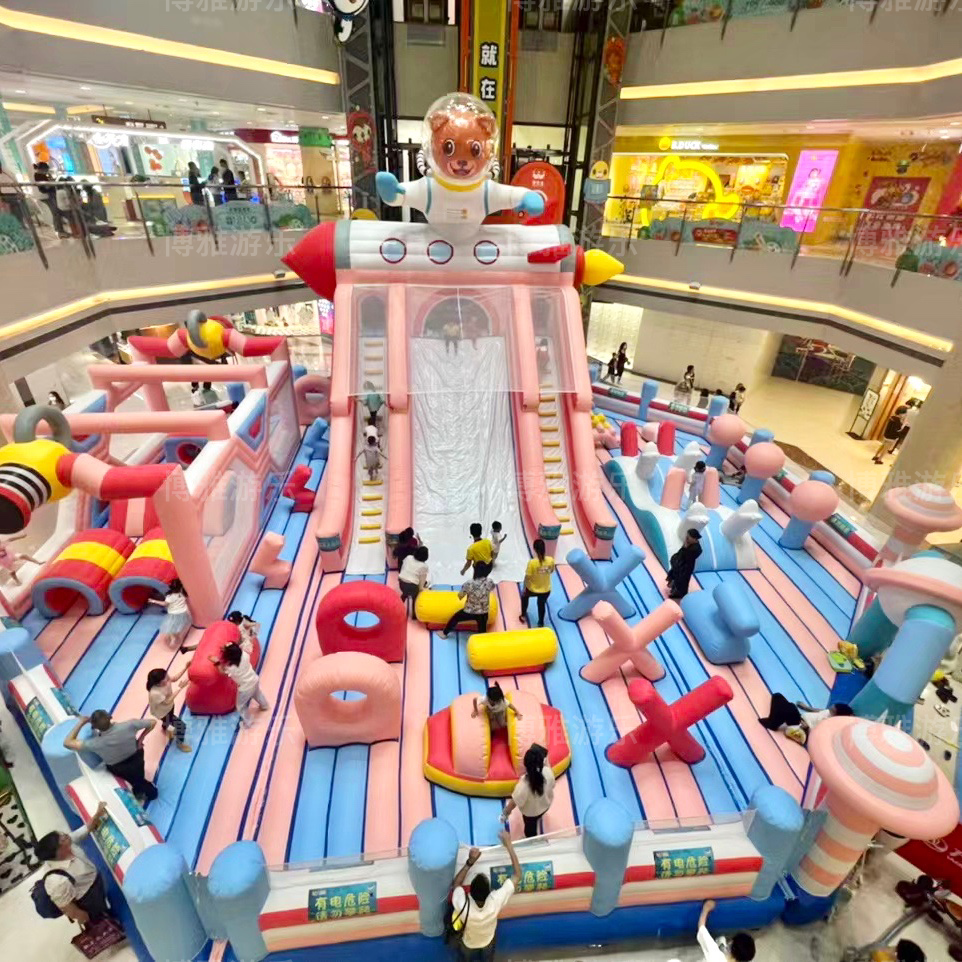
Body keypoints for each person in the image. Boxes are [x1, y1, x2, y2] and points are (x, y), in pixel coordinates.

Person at [34, 802, 112, 925]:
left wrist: (98, 814)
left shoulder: (67, 843)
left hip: (93, 882)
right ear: (58, 851)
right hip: (88, 897)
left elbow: (85, 830)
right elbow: (68, 908)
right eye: (63, 839)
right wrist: (83, 917)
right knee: (99, 917)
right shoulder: (57, 881)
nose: (66, 836)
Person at [449, 830, 521, 961]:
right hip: (487, 940)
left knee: (465, 957)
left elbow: (456, 884)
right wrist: (509, 845)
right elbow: (517, 875)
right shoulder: (495, 901)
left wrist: (470, 862)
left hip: (468, 943)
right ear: (489, 892)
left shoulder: (463, 905)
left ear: (470, 893)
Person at [64, 711, 158, 802]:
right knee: (138, 776)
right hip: (137, 759)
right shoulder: (129, 725)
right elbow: (153, 722)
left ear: (94, 727)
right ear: (110, 717)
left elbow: (67, 743)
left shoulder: (95, 743)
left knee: (133, 778)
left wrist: (81, 722)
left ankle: (138, 787)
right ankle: (143, 788)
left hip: (119, 768)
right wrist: (141, 739)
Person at [210, 637, 270, 728]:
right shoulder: (244, 655)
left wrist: (217, 662)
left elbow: (222, 672)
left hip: (245, 688)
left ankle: (248, 722)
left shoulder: (231, 668)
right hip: (254, 679)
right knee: (258, 694)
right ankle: (265, 705)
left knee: (240, 706)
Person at [500, 744, 554, 838]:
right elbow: (551, 785)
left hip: (531, 814)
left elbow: (513, 803)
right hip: (545, 805)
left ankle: (531, 840)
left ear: (526, 765)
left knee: (530, 831)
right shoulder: (548, 773)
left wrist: (505, 813)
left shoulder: (523, 786)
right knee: (537, 818)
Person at [759, 695, 853, 745]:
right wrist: (805, 707)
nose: (829, 710)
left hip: (802, 728)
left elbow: (818, 738)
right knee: (777, 696)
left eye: (832, 711)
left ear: (836, 716)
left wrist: (807, 729)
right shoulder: (829, 712)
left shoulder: (830, 725)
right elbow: (820, 711)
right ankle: (775, 720)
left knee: (790, 708)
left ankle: (772, 723)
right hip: (800, 718)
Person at [146, 663, 192, 753]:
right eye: (165, 678)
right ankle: (180, 743)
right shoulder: (155, 693)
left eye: (167, 676)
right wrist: (180, 688)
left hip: (169, 708)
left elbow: (174, 678)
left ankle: (165, 727)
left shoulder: (165, 680)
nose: (168, 678)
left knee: (168, 721)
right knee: (182, 726)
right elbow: (167, 701)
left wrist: (185, 667)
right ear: (158, 683)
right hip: (163, 713)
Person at [441, 561, 496, 637]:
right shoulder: (490, 581)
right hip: (484, 612)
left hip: (470, 611)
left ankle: (444, 633)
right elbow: (492, 588)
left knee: (455, 618)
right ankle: (482, 641)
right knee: (482, 630)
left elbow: (460, 596)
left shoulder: (469, 583)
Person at [148, 579, 192, 650]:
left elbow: (164, 604)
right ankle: (177, 638)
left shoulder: (170, 597)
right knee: (176, 627)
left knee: (171, 629)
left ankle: (175, 640)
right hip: (182, 613)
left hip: (174, 615)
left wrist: (153, 601)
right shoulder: (183, 593)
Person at [521, 538, 555, 628]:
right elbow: (551, 571)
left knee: (524, 597)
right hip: (546, 590)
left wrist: (524, 588)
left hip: (532, 589)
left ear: (535, 549)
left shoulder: (532, 563)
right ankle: (540, 622)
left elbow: (527, 577)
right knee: (541, 604)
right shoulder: (550, 560)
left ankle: (523, 615)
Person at [666, 529, 702, 600]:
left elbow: (687, 556)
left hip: (686, 567)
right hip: (681, 564)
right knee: (676, 577)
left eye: (688, 537)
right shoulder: (689, 544)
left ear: (694, 538)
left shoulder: (696, 548)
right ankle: (674, 590)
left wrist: (685, 547)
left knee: (682, 582)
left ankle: (678, 594)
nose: (687, 538)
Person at [398, 545, 430, 618]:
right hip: (412, 586)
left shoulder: (408, 557)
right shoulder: (424, 566)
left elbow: (403, 568)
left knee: (405, 593)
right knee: (415, 597)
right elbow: (422, 581)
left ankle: (398, 605)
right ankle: (414, 615)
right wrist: (422, 588)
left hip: (401, 583)